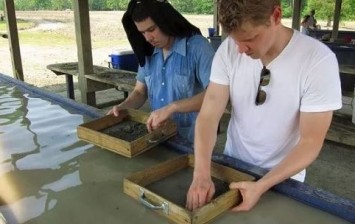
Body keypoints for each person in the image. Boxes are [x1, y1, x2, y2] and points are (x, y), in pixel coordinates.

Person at [186, 0, 341, 212]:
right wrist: (201, 173)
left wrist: (262, 184)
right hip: (232, 166)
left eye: (250, 38)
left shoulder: (317, 61)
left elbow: (310, 142)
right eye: (235, 39)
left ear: (275, 16)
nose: (241, 49)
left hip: (284, 179)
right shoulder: (229, 49)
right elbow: (209, 115)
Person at [107, 0, 215, 143]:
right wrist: (123, 107)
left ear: (166, 21)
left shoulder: (198, 47)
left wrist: (173, 107)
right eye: (142, 32)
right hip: (159, 139)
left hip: (193, 141)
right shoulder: (147, 50)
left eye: (151, 30)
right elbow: (140, 92)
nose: (148, 38)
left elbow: (216, 95)